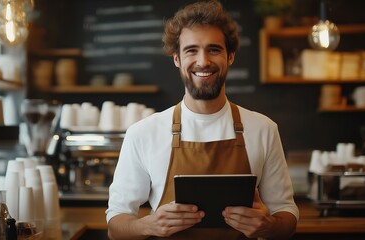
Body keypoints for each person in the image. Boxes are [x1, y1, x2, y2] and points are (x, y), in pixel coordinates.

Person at [106, 0, 299, 239]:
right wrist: (149, 225)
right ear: (176, 58)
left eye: (214, 49)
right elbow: (116, 226)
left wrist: (269, 225)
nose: (203, 61)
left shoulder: (263, 129)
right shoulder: (143, 133)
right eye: (191, 50)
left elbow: (287, 214)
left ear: (230, 56)